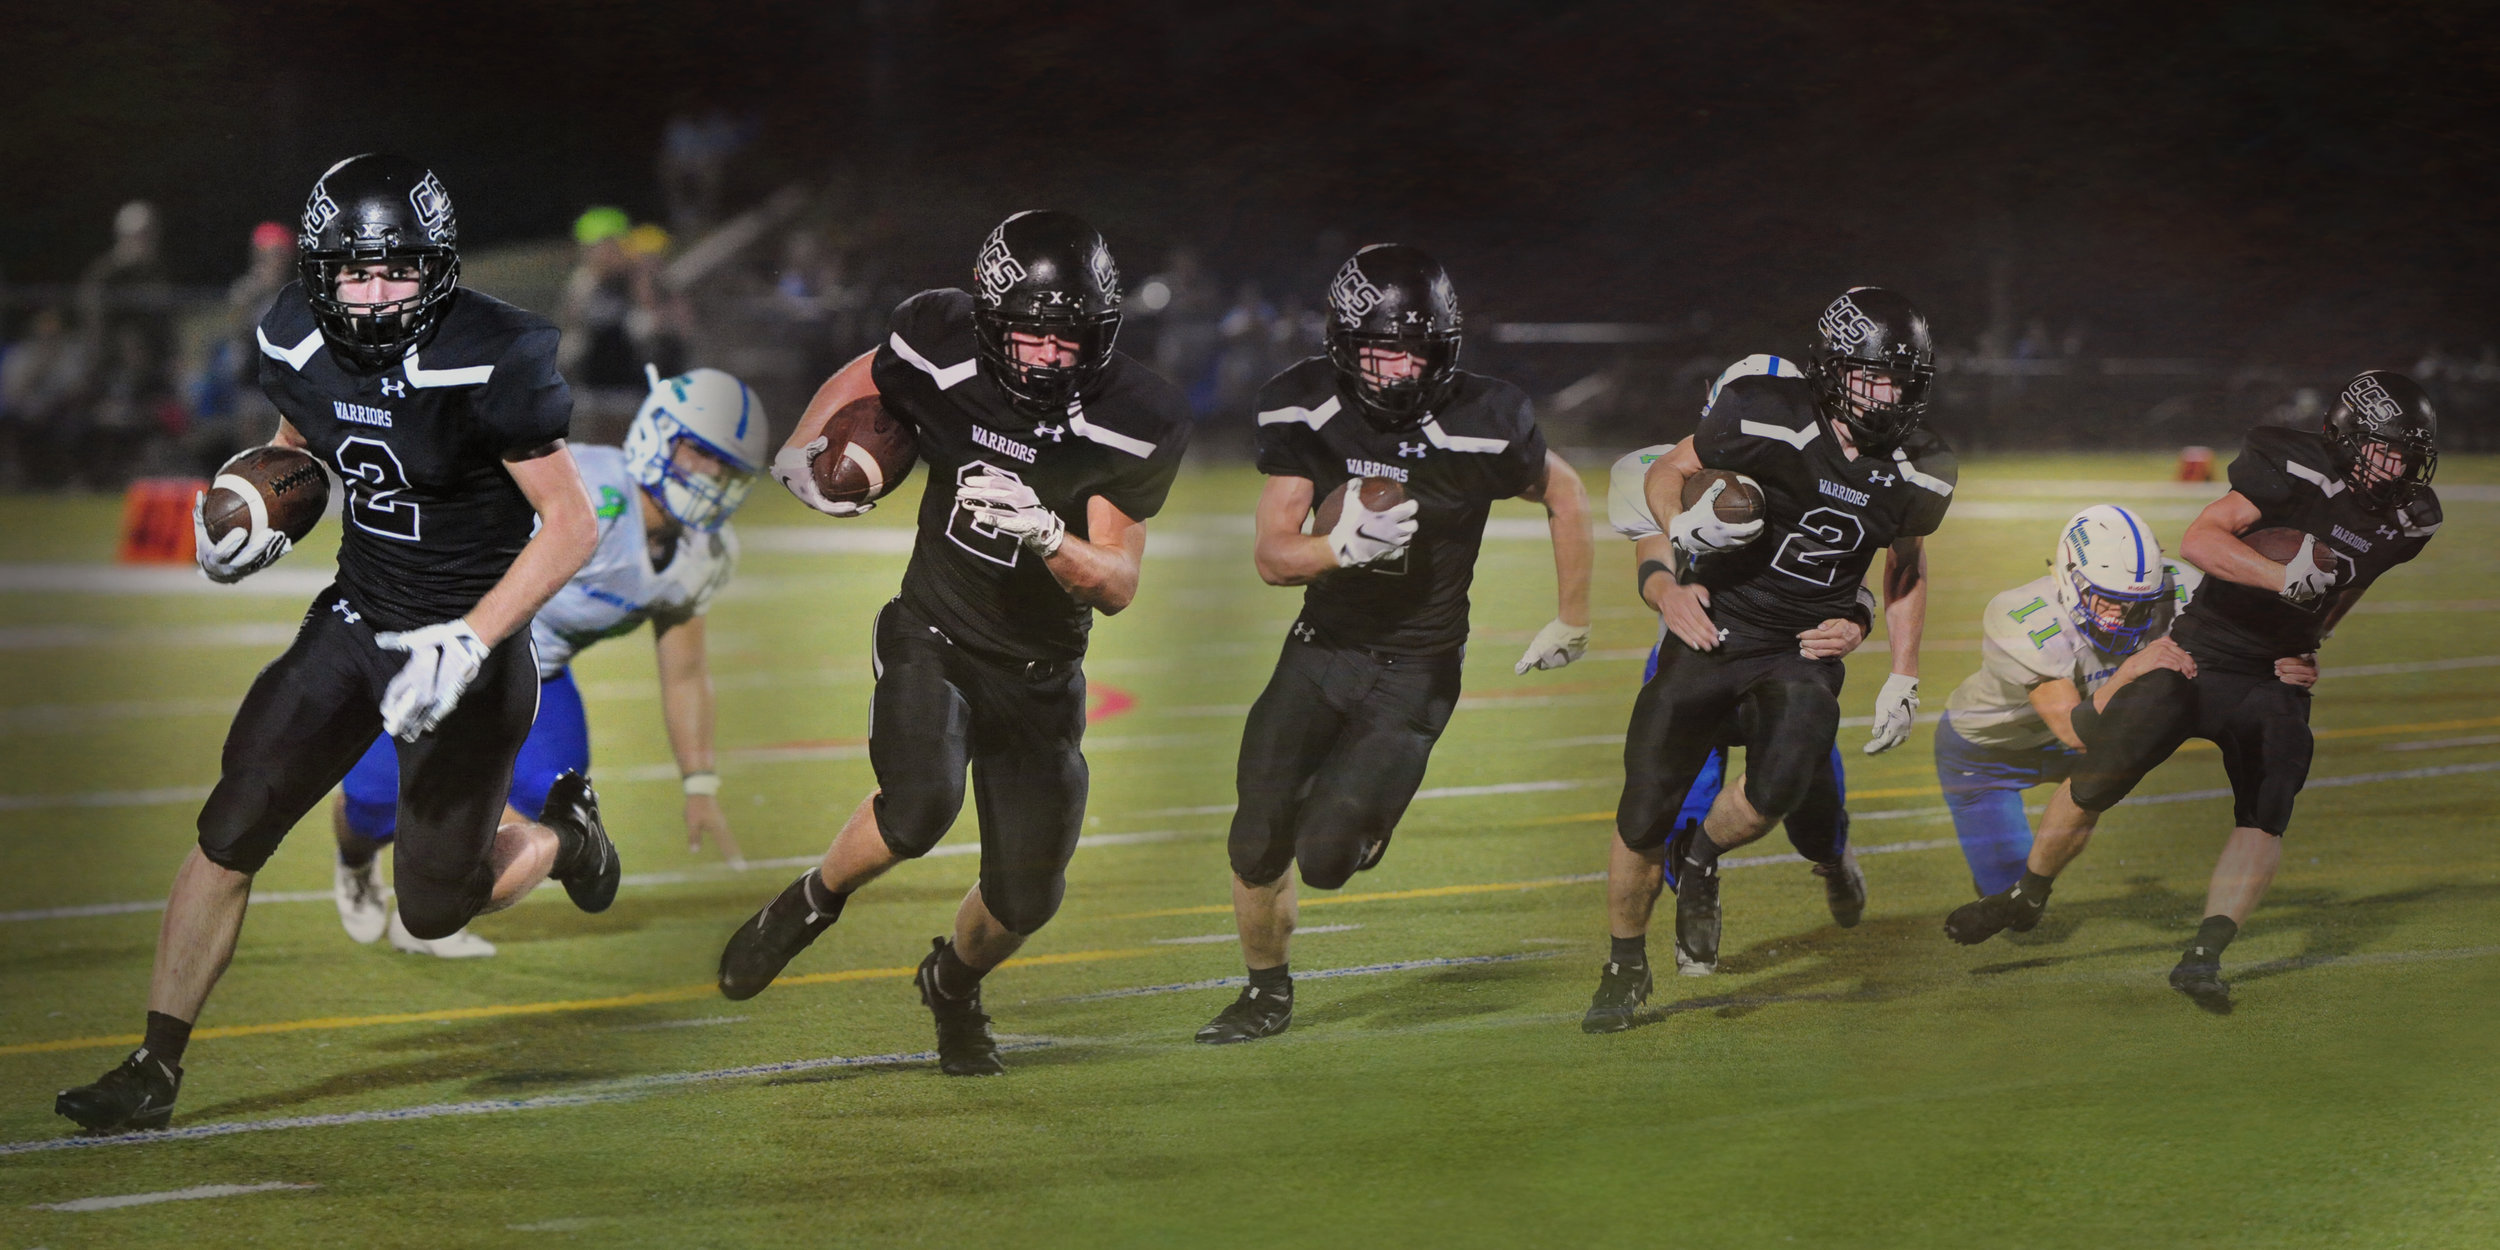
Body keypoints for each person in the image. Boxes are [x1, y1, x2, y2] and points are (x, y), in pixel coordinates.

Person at [52, 155, 612, 1133]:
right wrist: (252, 513)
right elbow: (300, 445)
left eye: (396, 270)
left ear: (435, 267)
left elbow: (571, 523)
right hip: (356, 620)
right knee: (231, 827)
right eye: (355, 271)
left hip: (466, 654)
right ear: (321, 272)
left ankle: (565, 837)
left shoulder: (494, 353)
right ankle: (153, 1065)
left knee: (438, 906)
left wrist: (473, 640)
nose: (375, 291)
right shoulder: (292, 334)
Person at [717, 210, 1190, 1076]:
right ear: (988, 318)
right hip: (933, 629)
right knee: (920, 805)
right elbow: (871, 369)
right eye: (1031, 335)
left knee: (1026, 899)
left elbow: (1118, 583)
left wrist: (1049, 534)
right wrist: (805, 447)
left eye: (1069, 338)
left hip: (1043, 674)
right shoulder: (939, 339)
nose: (1050, 355)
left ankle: (952, 983)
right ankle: (810, 903)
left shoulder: (1135, 414)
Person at [1193, 245, 1593, 1045]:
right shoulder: (1306, 405)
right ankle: (1265, 993)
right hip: (1321, 647)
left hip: (1417, 666)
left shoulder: (1485, 418)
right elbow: (1275, 555)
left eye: (1415, 350)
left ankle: (1356, 813)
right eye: (1381, 350)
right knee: (1254, 836)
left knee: (1327, 859)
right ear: (1345, 343)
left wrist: (1572, 616)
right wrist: (1343, 549)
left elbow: (1566, 491)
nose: (1400, 370)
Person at [1944, 372, 2441, 1012]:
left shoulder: (2411, 520)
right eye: (2386, 449)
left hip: (2270, 674)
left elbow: (2355, 579)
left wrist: (2311, 641)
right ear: (2347, 437)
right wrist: (2281, 578)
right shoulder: (2296, 468)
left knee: (2272, 795)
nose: (2399, 467)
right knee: (2102, 769)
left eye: (2410, 453)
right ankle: (2027, 894)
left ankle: (2204, 955)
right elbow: (2201, 538)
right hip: (2199, 651)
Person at [1586, 289, 1957, 1032]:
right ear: (1832, 368)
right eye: (1874, 377)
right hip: (1712, 631)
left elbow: (1905, 564)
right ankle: (1625, 964)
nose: (1889, 397)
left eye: (1901, 381)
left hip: (1802, 651)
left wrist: (1902, 669)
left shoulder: (1922, 467)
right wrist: (1678, 530)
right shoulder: (1760, 413)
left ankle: (1701, 856)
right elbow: (1666, 477)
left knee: (1775, 794)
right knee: (1640, 812)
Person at [331, 364, 765, 956]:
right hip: (450, 650)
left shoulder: (703, 556)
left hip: (538, 673)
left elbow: (685, 671)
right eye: (702, 454)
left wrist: (700, 781)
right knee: (370, 805)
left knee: (554, 797)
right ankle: (356, 867)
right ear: (657, 433)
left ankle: (431, 908)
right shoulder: (587, 487)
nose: (713, 476)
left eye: (729, 467)